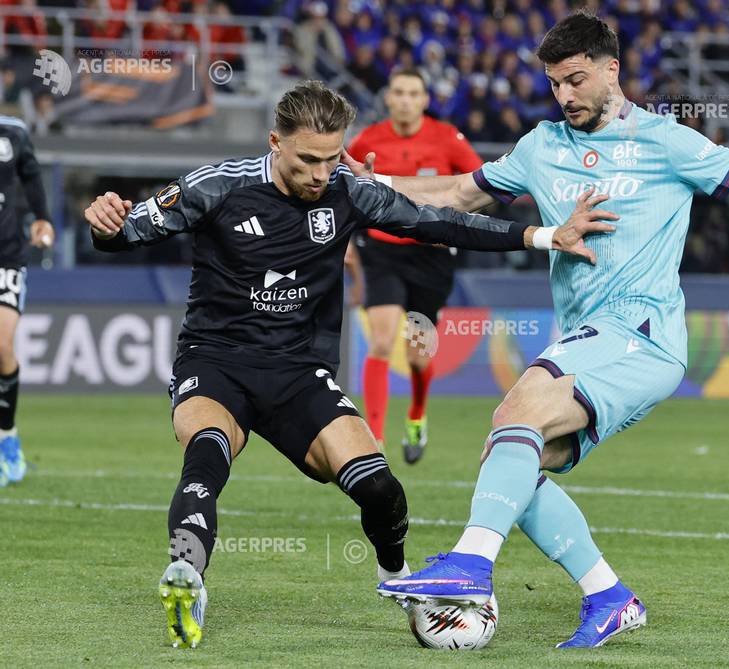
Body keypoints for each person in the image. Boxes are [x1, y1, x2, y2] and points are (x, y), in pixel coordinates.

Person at [363, 13, 729, 648]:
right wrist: (372, 183)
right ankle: (609, 597)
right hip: (591, 337)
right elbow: (457, 194)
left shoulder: (666, 140)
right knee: (512, 455)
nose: (564, 95)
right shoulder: (541, 147)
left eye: (575, 79)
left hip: (641, 329)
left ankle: (471, 565)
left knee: (519, 407)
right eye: (554, 84)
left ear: (610, 69)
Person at [83, 80, 610, 649]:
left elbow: (438, 222)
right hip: (215, 361)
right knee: (206, 453)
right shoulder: (217, 186)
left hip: (297, 371)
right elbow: (124, 233)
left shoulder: (347, 190)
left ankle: (397, 579)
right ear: (275, 143)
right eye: (307, 160)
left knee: (381, 490)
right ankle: (188, 577)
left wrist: (542, 235)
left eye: (331, 158)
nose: (320, 174)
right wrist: (105, 221)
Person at [349, 67, 483, 463]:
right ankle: (374, 441)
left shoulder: (447, 138)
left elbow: (482, 186)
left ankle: (417, 414)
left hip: (430, 254)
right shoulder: (367, 141)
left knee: (417, 357)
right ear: (388, 98)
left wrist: (454, 225)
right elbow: (341, 188)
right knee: (381, 340)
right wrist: (346, 243)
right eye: (399, 93)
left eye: (413, 93)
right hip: (381, 250)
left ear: (425, 100)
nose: (406, 100)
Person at [0, 114, 55, 488]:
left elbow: (32, 176)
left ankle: (8, 439)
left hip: (5, 255)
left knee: (2, 346)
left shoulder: (14, 132)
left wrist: (42, 218)